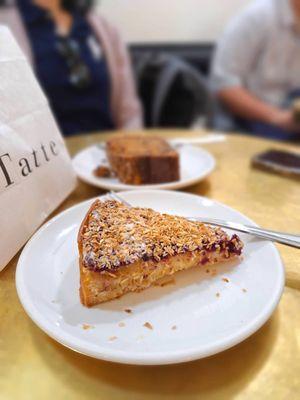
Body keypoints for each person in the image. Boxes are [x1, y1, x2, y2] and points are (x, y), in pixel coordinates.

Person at [0, 0, 143, 136]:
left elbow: (129, 113)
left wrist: (128, 154)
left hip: (107, 152)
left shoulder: (103, 28)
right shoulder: (5, 24)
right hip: (44, 157)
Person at [210, 0, 300, 141]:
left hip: (291, 112)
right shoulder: (258, 16)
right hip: (251, 120)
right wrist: (278, 117)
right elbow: (224, 86)